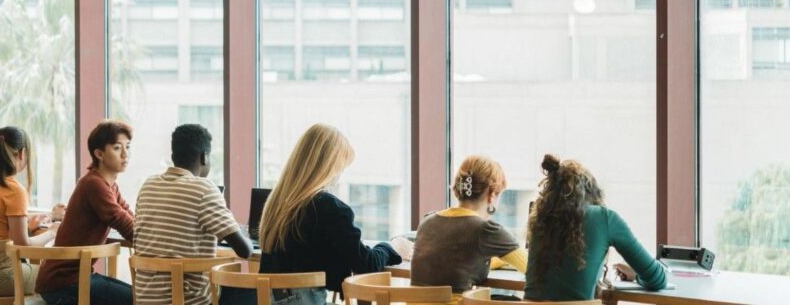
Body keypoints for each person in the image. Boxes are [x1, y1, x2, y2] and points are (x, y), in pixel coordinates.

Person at [256, 124, 402, 304]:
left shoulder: (276, 204)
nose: (340, 174)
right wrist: (392, 247)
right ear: (328, 166)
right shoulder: (328, 207)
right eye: (341, 167)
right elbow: (367, 265)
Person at [133, 124, 253, 304]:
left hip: (145, 298)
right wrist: (241, 231)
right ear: (204, 157)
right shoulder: (204, 189)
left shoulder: (148, 185)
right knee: (254, 291)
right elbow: (245, 251)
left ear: (173, 156)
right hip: (190, 300)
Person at [524, 154, 667, 301]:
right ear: (593, 193)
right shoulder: (604, 218)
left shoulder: (540, 220)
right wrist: (637, 275)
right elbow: (658, 279)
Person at [36, 120, 136, 305]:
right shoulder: (93, 184)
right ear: (99, 154)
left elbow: (129, 215)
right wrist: (155, 241)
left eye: (128, 147)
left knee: (137, 297)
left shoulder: (109, 185)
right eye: (117, 148)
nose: (125, 154)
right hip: (63, 284)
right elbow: (120, 219)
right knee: (137, 300)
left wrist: (151, 234)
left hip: (76, 279)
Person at [411, 155, 528, 304]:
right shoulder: (486, 229)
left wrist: (497, 261)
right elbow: (533, 268)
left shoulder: (427, 221)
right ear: (492, 195)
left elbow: (458, 260)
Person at [0, 126, 60, 296]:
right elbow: (23, 245)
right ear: (22, 153)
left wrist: (49, 215)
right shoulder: (14, 190)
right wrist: (52, 232)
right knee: (61, 277)